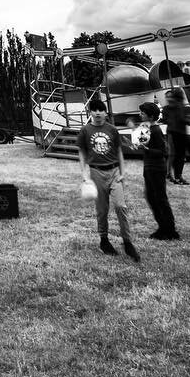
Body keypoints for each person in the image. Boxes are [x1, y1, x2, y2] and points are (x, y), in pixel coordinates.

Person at [76, 96, 138, 262]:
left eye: (100, 110)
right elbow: (81, 152)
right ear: (90, 112)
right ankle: (104, 240)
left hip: (114, 172)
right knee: (102, 210)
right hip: (96, 173)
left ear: (105, 112)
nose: (97, 113)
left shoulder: (112, 130)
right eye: (94, 110)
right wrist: (84, 173)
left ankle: (127, 242)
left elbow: (119, 151)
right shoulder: (85, 131)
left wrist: (123, 173)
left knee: (120, 206)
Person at [137, 101, 179, 240]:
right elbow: (141, 144)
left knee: (160, 199)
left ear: (150, 116)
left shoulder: (156, 130)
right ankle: (162, 227)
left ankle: (170, 230)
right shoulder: (146, 128)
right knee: (151, 198)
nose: (140, 114)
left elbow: (162, 151)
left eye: (142, 113)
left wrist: (147, 149)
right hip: (149, 167)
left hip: (156, 168)